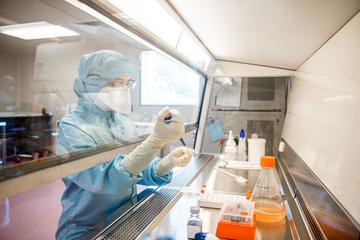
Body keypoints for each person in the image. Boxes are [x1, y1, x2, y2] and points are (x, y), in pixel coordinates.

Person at [55, 50, 194, 239]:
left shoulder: (124, 123)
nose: (124, 89)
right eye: (116, 83)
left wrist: (165, 164)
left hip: (124, 220)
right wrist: (154, 142)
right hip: (86, 230)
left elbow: (135, 171)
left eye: (127, 83)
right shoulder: (71, 129)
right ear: (91, 85)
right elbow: (104, 181)